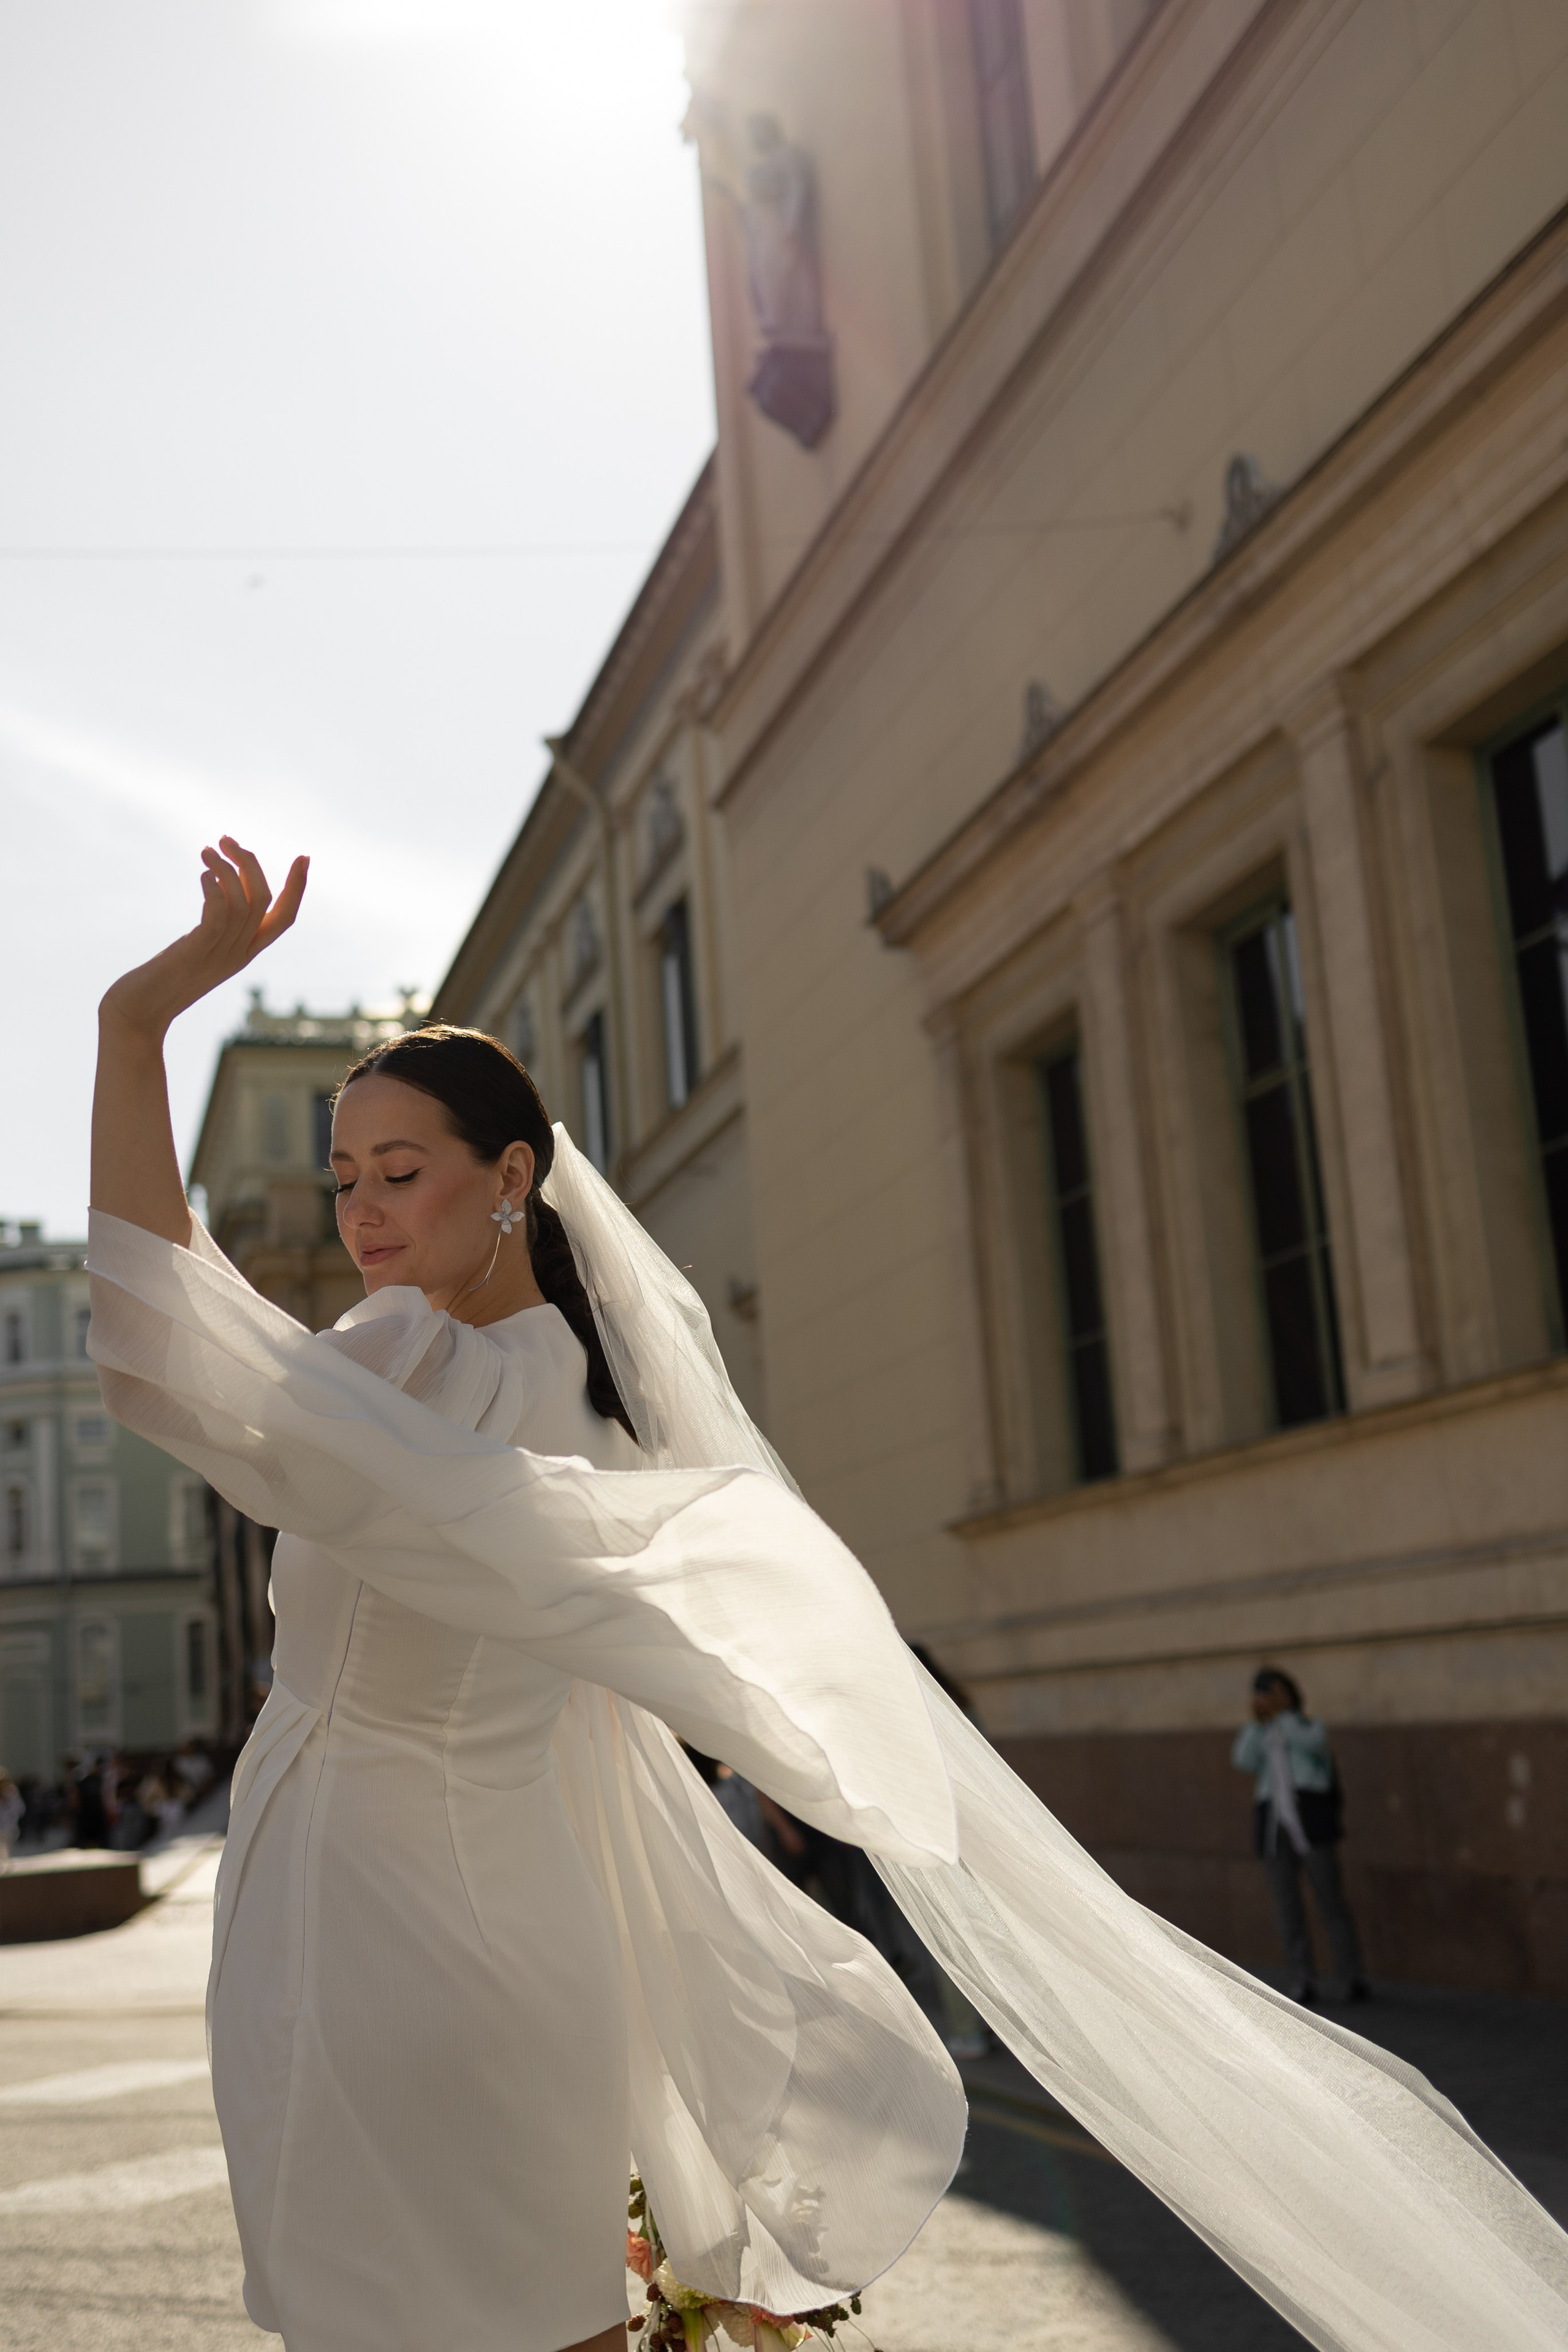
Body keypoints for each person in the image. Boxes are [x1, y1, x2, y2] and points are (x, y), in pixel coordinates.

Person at [85, 839, 1568, 2352]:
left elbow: (157, 1340)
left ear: (513, 1175)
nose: (363, 1214)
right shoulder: (590, 1412)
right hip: (470, 1922)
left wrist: (139, 1020)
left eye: (401, 1173)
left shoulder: (408, 1364)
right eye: (344, 1178)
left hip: (383, 1930)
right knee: (523, 2322)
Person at [1233, 1667, 1368, 2008]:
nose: (1265, 1697)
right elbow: (1243, 1759)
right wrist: (1258, 1722)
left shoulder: (1309, 1726)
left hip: (1311, 1822)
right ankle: (1303, 1979)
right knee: (1287, 1907)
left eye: (1271, 1691)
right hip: (1273, 1824)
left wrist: (1285, 1715)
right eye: (1261, 1692)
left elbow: (1312, 1745)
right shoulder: (1263, 1731)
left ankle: (1351, 1976)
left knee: (1330, 1900)